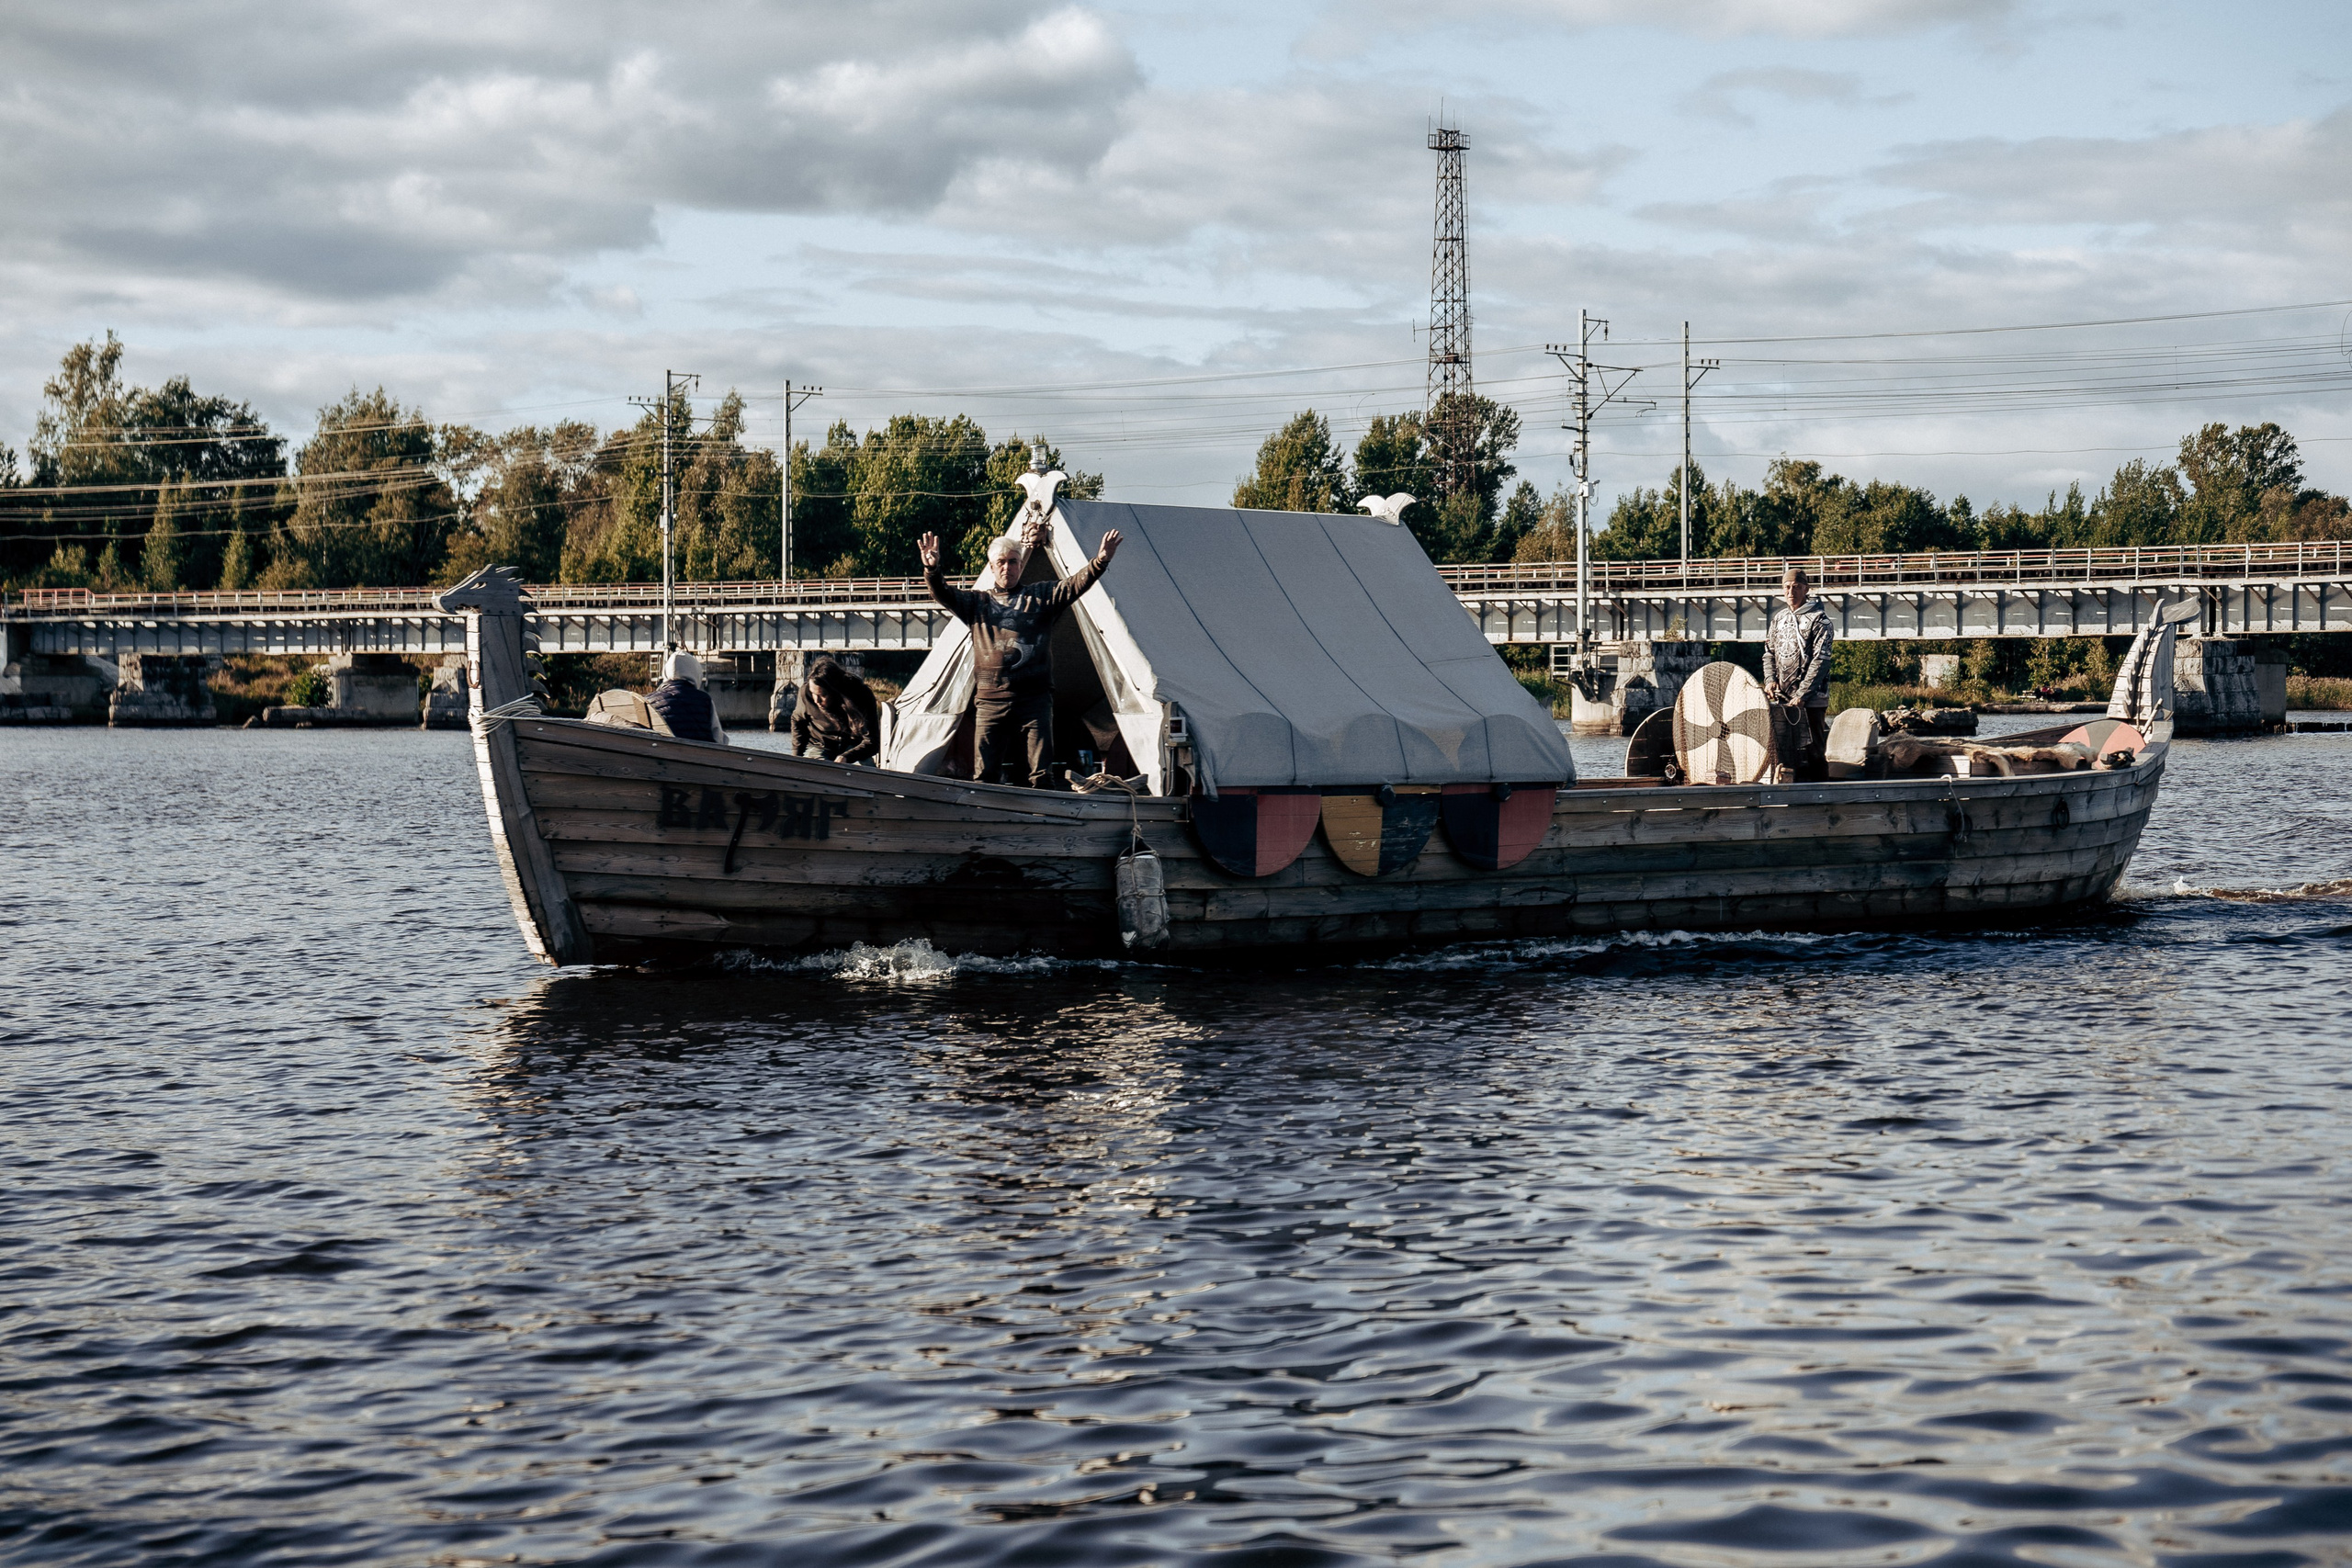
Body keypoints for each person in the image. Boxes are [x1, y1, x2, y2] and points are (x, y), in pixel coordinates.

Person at [919, 518, 1122, 788]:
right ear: (992, 567)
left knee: (1041, 774)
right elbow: (943, 593)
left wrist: (1101, 561)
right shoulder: (978, 603)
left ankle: (1046, 816)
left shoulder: (1040, 597)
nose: (1007, 567)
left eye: (1013, 561)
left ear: (1021, 565)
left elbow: (1074, 585)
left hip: (1034, 699)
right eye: (1001, 562)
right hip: (991, 700)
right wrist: (932, 569)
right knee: (985, 774)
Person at [1761, 566, 1833, 781]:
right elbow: (1768, 653)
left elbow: (1821, 661)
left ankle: (1822, 794)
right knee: (1785, 749)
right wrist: (1770, 680)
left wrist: (1802, 695)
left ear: (1806, 589)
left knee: (1813, 750)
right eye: (1787, 587)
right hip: (1782, 699)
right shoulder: (1778, 619)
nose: (1791, 591)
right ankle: (1791, 794)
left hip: (1811, 700)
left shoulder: (1821, 621)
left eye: (1796, 587)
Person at [790, 656, 880, 764]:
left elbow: (872, 742)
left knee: (867, 773)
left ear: (835, 691)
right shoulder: (805, 693)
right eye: (813, 693)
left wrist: (847, 757)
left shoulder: (861, 695)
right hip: (820, 746)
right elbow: (797, 721)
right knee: (821, 770)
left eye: (823, 695)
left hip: (855, 748)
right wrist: (796, 758)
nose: (816, 700)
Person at [646, 649, 727, 745]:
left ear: (666, 672)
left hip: (661, 754)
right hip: (700, 756)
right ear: (695, 672)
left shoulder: (649, 700)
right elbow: (719, 739)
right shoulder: (704, 700)